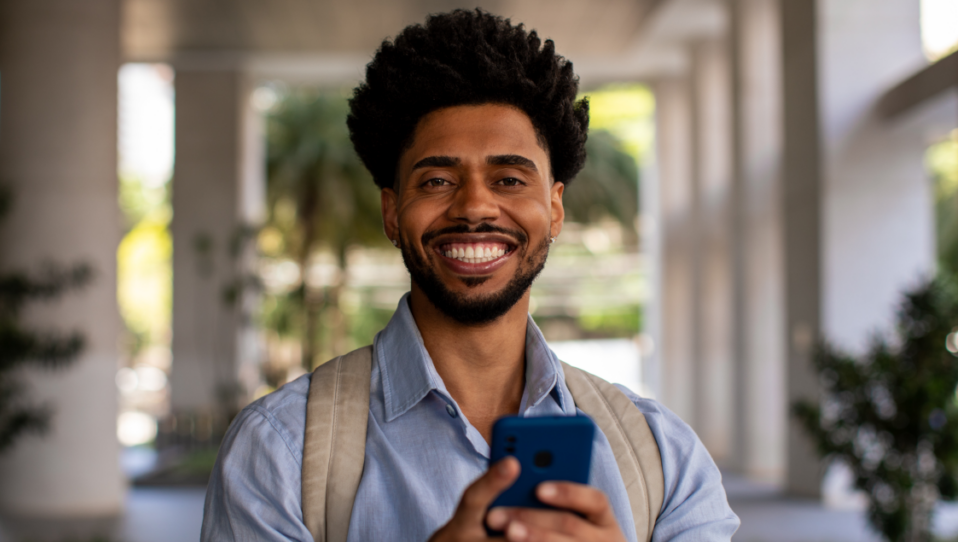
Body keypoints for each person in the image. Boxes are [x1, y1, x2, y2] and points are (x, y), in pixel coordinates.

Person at [202, 9, 739, 542]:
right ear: (392, 212)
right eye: (437, 180)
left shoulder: (663, 456)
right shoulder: (278, 450)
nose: (476, 206)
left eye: (508, 178)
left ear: (554, 210)